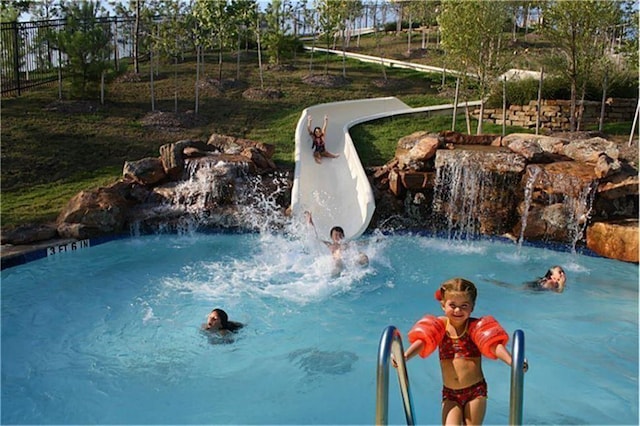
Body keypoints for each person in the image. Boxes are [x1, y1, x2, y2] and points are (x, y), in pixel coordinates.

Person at [395, 278, 527, 426]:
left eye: (464, 306)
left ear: (472, 307)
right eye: (453, 305)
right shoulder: (440, 326)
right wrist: (405, 356)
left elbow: (493, 346)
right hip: (450, 394)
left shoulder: (474, 327)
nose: (458, 310)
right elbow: (423, 341)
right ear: (443, 305)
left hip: (475, 391)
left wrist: (512, 362)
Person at [304, 211, 369, 270]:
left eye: (340, 235)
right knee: (338, 259)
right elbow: (314, 238)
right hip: (337, 262)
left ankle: (359, 269)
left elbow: (361, 243)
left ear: (343, 236)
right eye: (336, 235)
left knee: (363, 257)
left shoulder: (346, 244)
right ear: (331, 237)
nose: (338, 237)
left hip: (348, 261)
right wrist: (310, 222)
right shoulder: (329, 245)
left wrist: (374, 240)